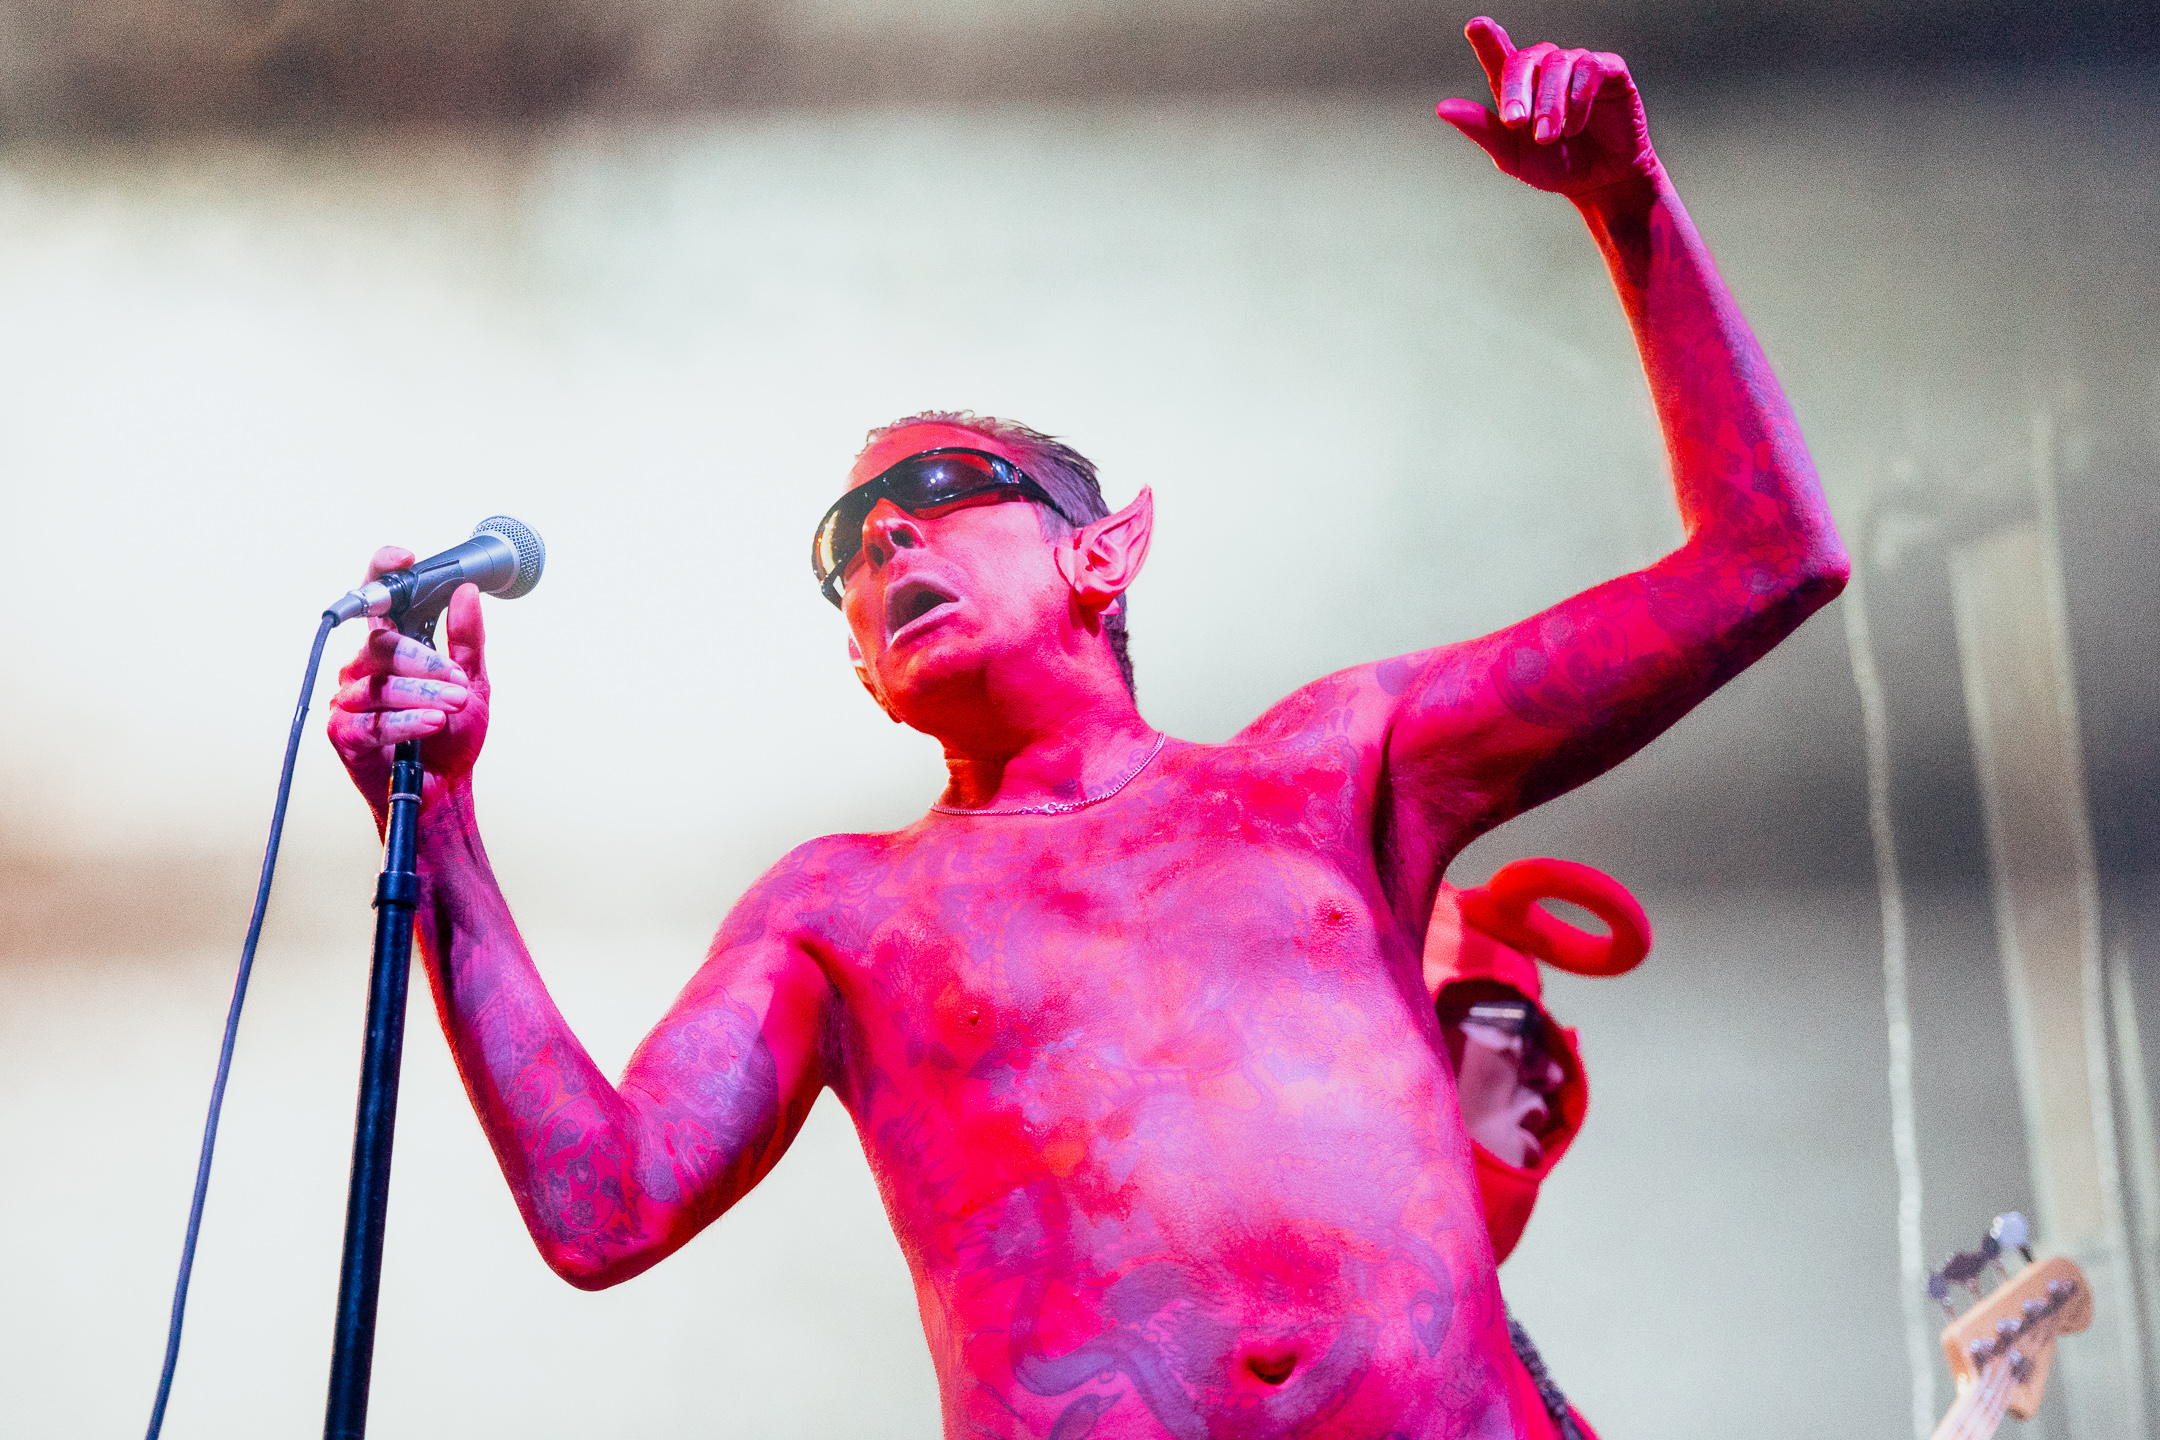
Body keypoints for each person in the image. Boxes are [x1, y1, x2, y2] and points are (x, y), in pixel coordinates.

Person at [327, 17, 1848, 1437]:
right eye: (845, 551)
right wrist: (438, 829)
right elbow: (603, 1207)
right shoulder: (839, 911)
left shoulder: (1338, 769)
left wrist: (1629, 207)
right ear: (861, 668)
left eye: (935, 493)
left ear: (1105, 552)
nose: (884, 545)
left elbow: (1769, 561)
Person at [1425, 858, 1655, 1440]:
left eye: (1545, 1038)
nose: (1553, 1074)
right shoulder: (1273, 1353)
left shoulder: (1487, 1344)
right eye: (1514, 1026)